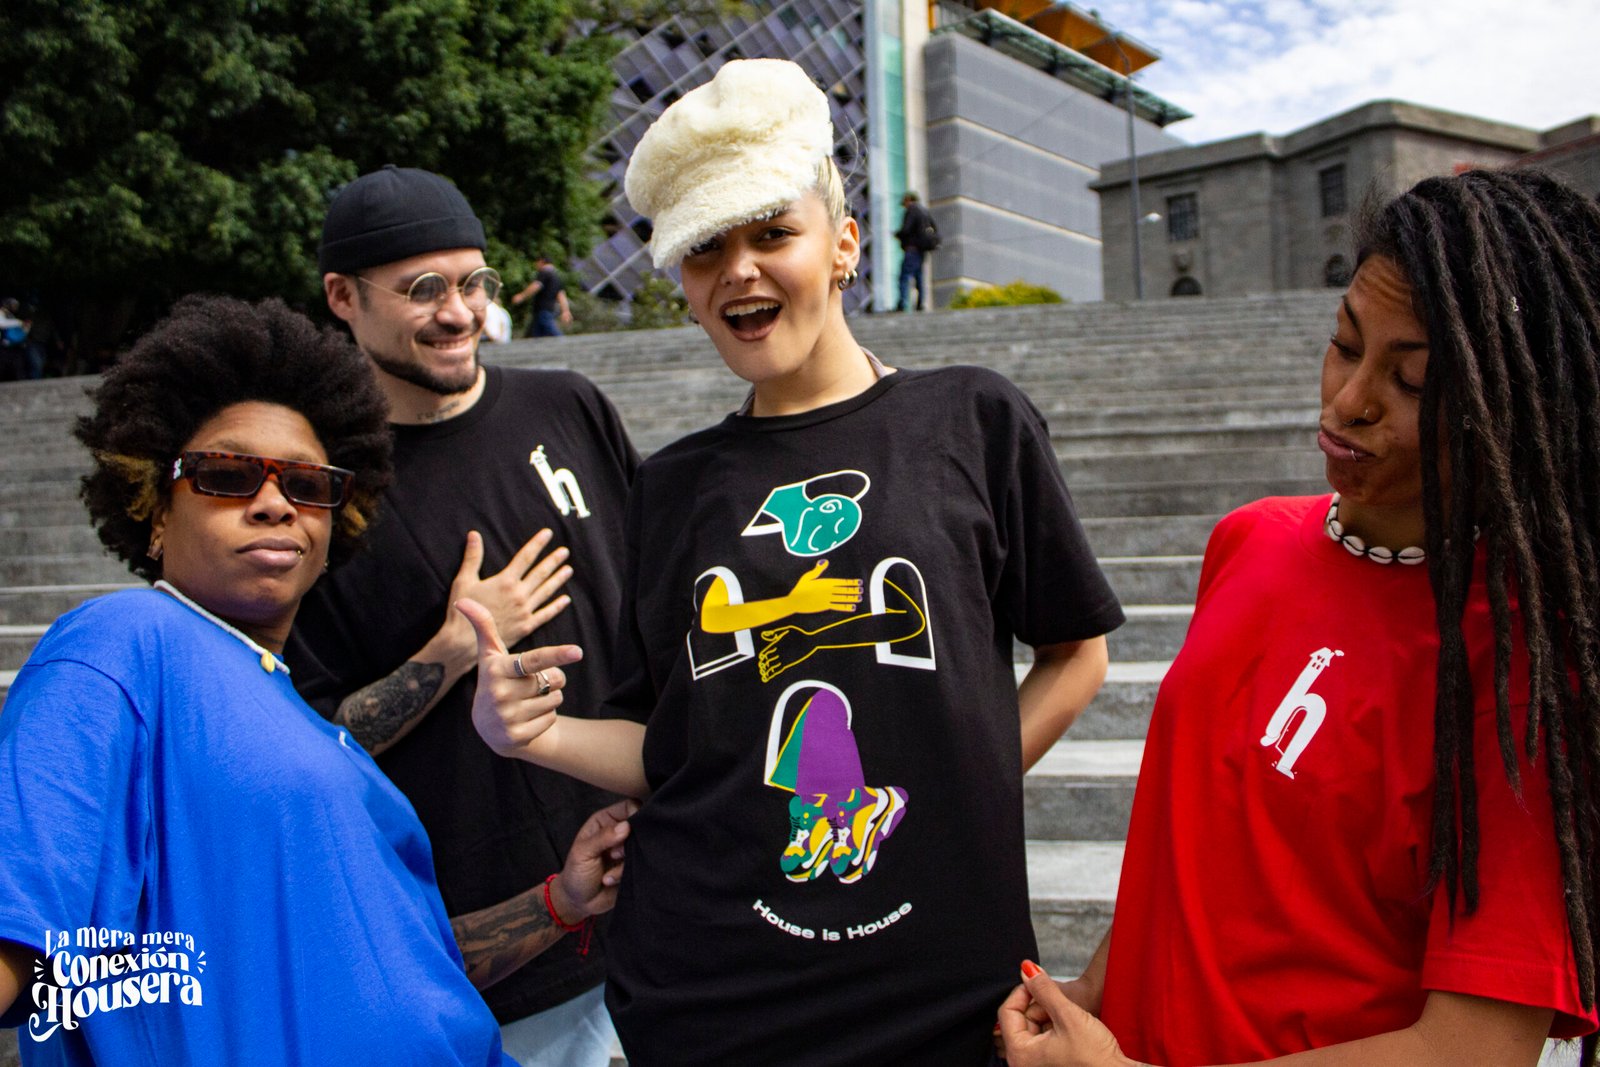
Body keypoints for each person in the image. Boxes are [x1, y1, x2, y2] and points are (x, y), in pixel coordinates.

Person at [461, 58, 1123, 1065]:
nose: (739, 269)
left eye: (772, 233)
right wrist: (535, 734)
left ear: (843, 242)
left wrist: (949, 793)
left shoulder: (973, 418)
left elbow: (1076, 653)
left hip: (942, 978)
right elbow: (669, 748)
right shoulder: (670, 486)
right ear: (685, 287)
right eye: (706, 248)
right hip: (710, 992)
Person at [998, 168, 1600, 1067]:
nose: (1349, 399)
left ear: (1511, 410)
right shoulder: (1249, 538)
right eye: (1344, 344)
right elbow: (1202, 835)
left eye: (1413, 380)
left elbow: (1473, 1048)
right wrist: (1093, 990)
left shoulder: (1523, 668)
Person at [0, 295, 634, 1064]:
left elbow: (402, 965)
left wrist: (561, 899)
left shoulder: (309, 725)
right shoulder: (122, 645)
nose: (275, 503)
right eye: (227, 475)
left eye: (307, 485)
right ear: (155, 509)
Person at [284, 166, 639, 1066]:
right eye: (423, 289)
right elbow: (310, 743)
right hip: (492, 955)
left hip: (659, 900)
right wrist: (451, 648)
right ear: (342, 297)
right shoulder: (319, 494)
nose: (459, 312)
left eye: (475, 282)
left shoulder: (570, 405)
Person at [511, 254, 573, 337]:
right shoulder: (556, 276)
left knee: (552, 332)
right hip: (549, 310)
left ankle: (565, 343)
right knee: (534, 335)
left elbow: (536, 285)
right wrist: (565, 311)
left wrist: (521, 296)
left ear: (541, 261)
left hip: (542, 310)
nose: (536, 266)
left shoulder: (545, 272)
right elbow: (561, 295)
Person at [894, 191, 936, 312]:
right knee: (919, 277)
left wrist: (898, 234)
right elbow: (934, 229)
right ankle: (920, 303)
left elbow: (906, 229)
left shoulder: (912, 210)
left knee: (904, 277)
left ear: (908, 200)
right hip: (922, 250)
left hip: (912, 249)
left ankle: (903, 303)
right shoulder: (925, 212)